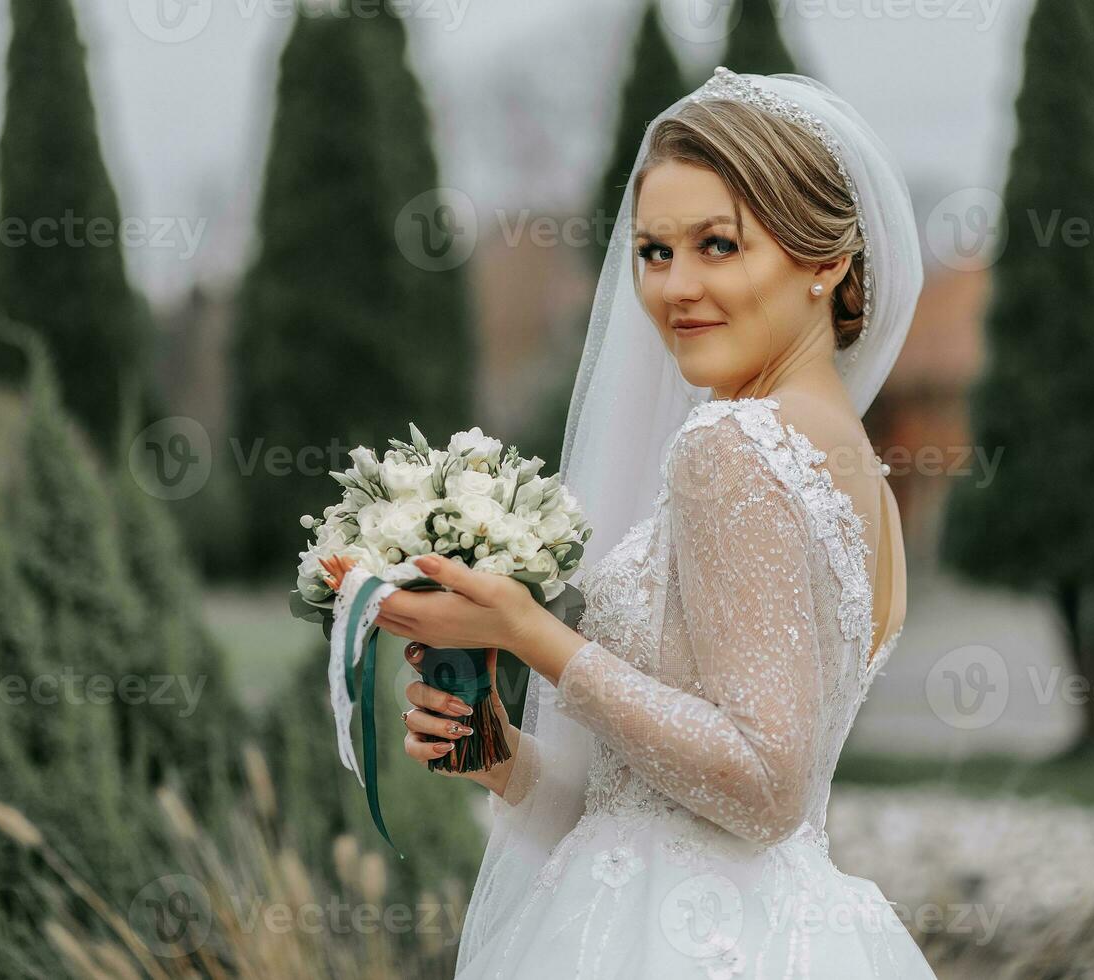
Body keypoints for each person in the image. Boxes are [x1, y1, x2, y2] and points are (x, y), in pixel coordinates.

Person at [373, 66, 934, 978]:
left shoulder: (734, 448)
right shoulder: (854, 465)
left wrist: (527, 633)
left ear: (826, 261)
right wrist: (500, 753)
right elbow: (652, 811)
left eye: (719, 245)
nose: (676, 289)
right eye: (654, 251)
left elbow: (762, 785)